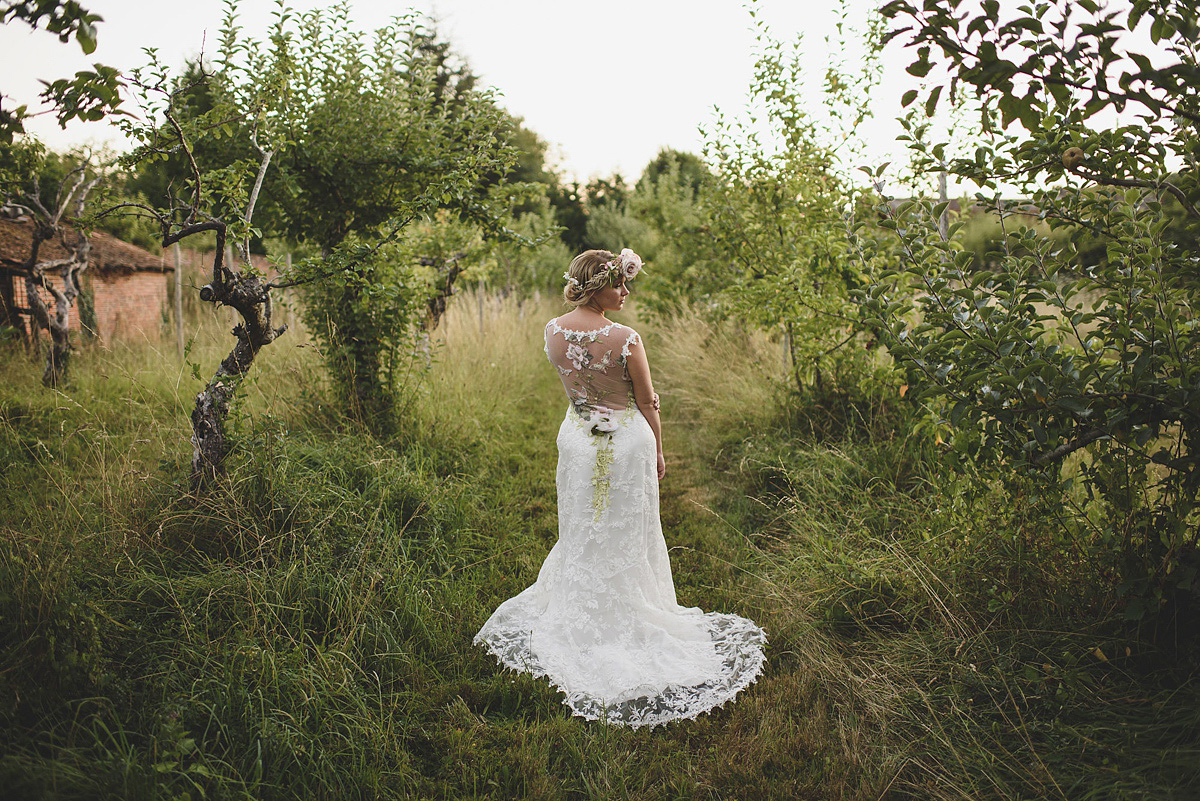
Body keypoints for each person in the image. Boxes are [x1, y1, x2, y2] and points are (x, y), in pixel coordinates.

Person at [474, 248, 766, 728]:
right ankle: (629, 607)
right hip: (625, 441)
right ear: (597, 287)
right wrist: (658, 447)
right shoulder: (626, 339)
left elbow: (576, 383)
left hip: (578, 439)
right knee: (624, 527)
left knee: (585, 523)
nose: (626, 292)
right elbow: (647, 401)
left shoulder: (552, 331)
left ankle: (584, 605)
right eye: (620, 284)